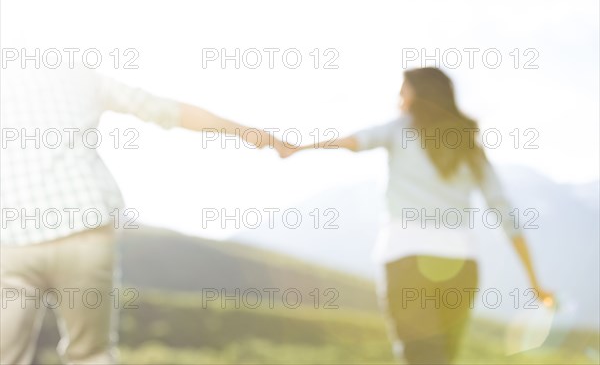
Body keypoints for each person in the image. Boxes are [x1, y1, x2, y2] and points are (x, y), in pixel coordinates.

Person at [0, 65, 282, 364]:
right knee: (91, 355)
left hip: (13, 239)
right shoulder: (77, 75)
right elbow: (166, 110)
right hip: (84, 226)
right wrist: (248, 132)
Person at [279, 67, 554, 364]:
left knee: (421, 358)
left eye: (403, 90)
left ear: (419, 95)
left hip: (407, 259)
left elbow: (355, 141)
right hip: (461, 267)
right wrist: (533, 281)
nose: (398, 98)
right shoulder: (468, 144)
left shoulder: (400, 129)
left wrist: (300, 147)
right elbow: (503, 211)